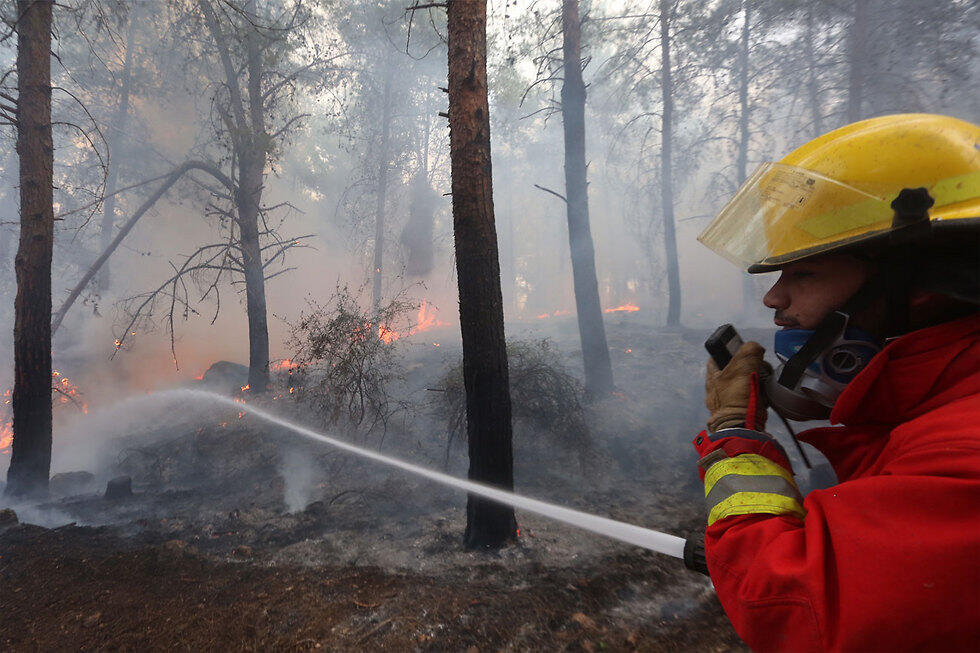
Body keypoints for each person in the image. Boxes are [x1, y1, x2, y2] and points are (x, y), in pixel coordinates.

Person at [692, 114, 980, 651]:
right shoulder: (935, 412)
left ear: (913, 286)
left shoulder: (962, 454)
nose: (773, 299)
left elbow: (799, 611)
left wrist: (736, 439)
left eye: (804, 274)